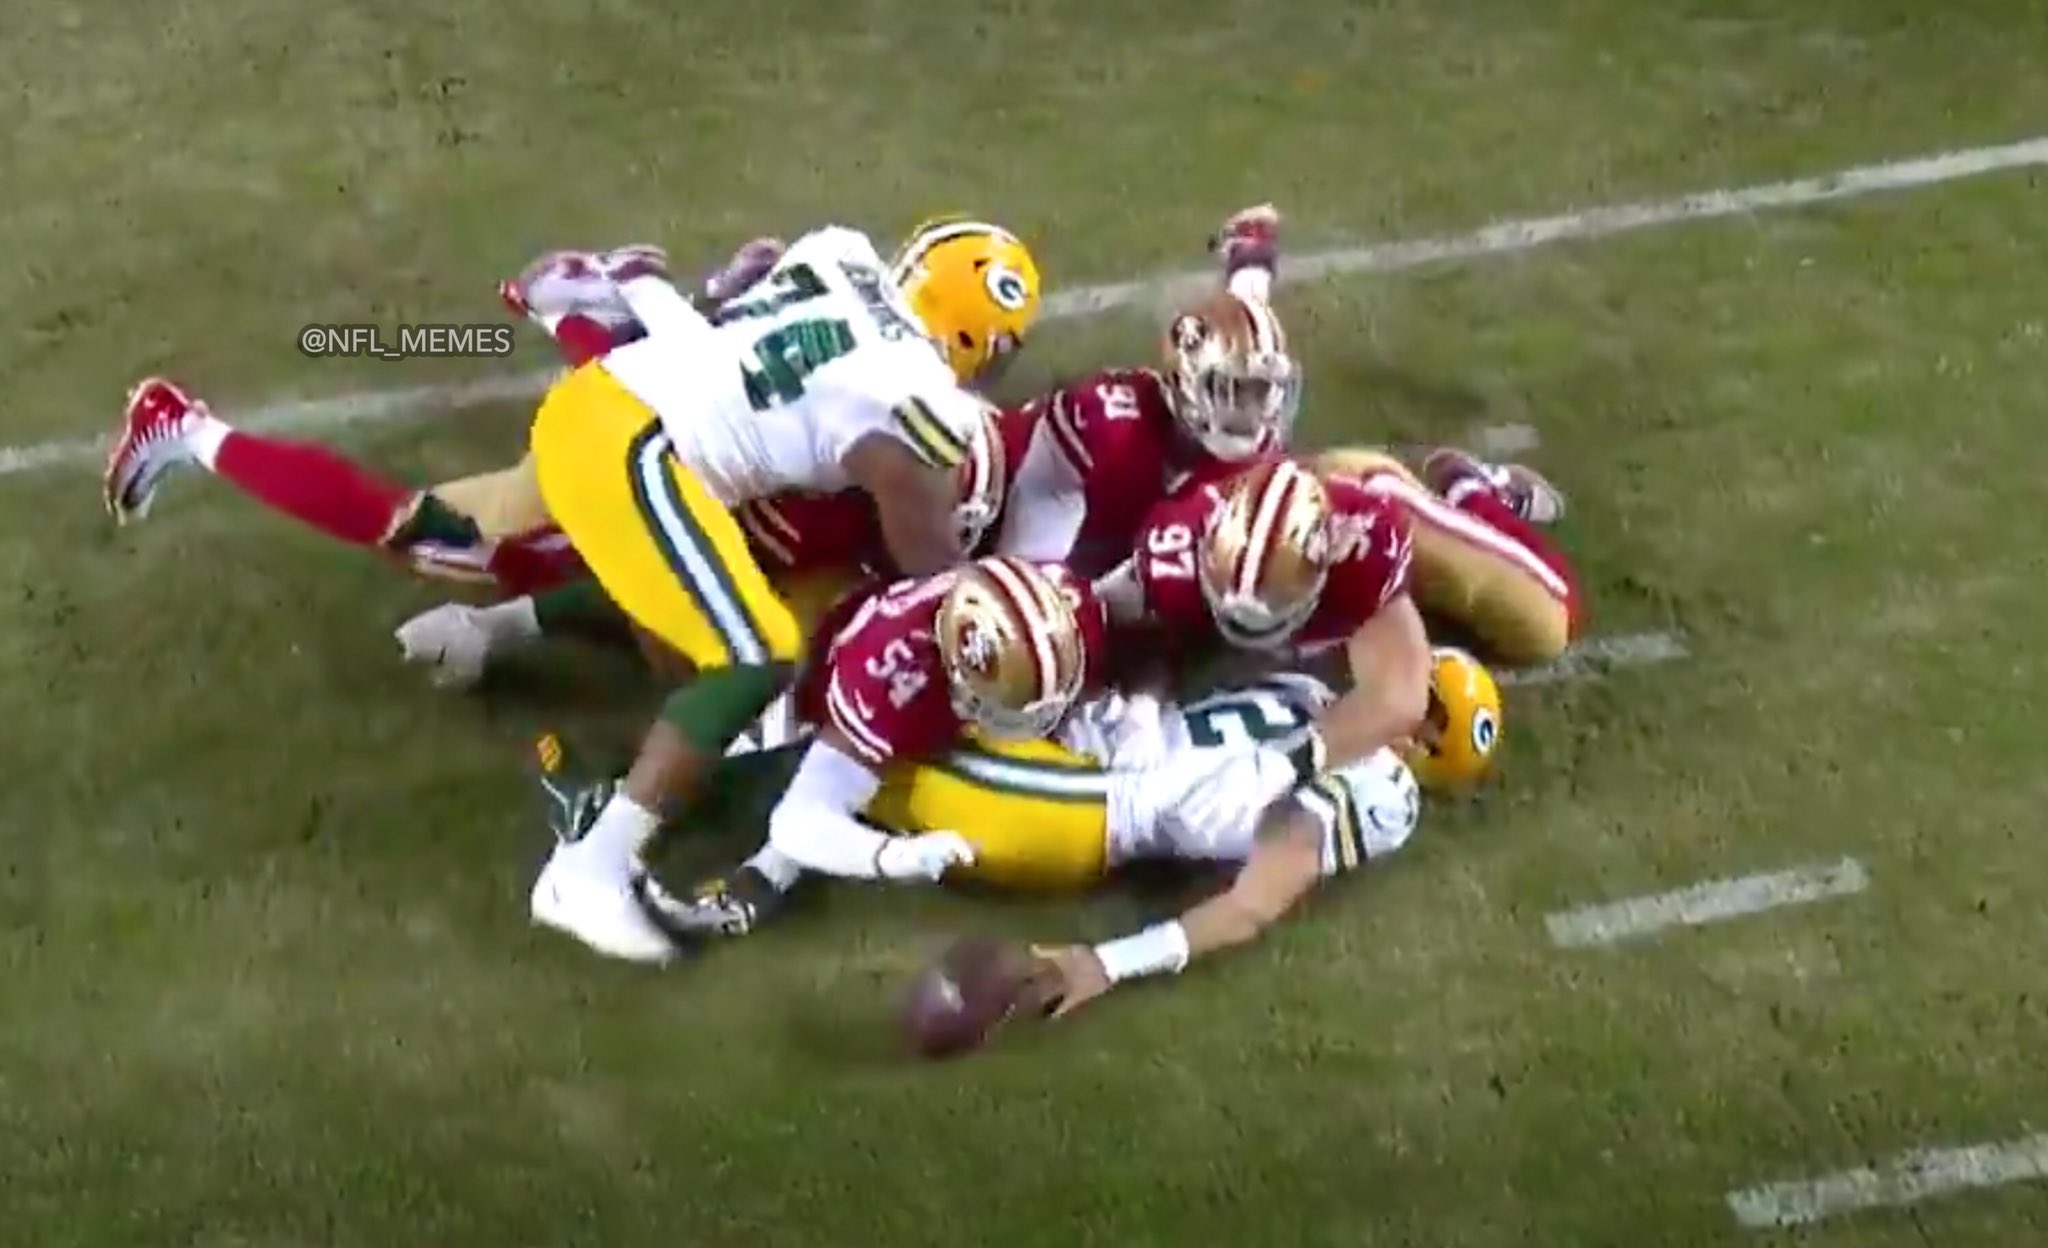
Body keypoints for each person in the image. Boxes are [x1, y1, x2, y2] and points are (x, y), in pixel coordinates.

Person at [516, 218, 1044, 964]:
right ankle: (587, 875)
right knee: (752, 656)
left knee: (715, 640)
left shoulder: (841, 251)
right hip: (633, 448)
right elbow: (925, 556)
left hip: (606, 404)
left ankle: (488, 640)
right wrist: (1005, 601)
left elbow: (732, 322)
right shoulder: (921, 397)